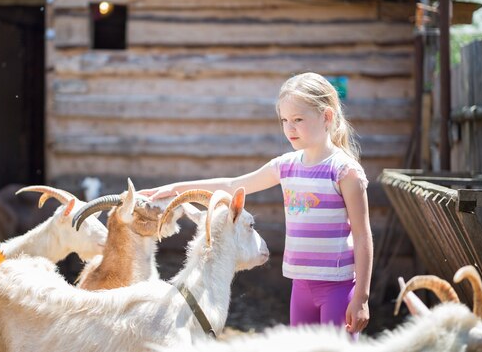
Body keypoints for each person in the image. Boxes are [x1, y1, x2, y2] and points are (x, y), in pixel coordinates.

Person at [139, 72, 372, 336]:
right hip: (300, 286)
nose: (289, 128)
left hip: (338, 286)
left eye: (298, 119)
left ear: (327, 117)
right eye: (284, 120)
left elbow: (363, 236)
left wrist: (361, 297)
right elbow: (232, 185)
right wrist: (176, 189)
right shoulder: (286, 166)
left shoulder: (344, 171)